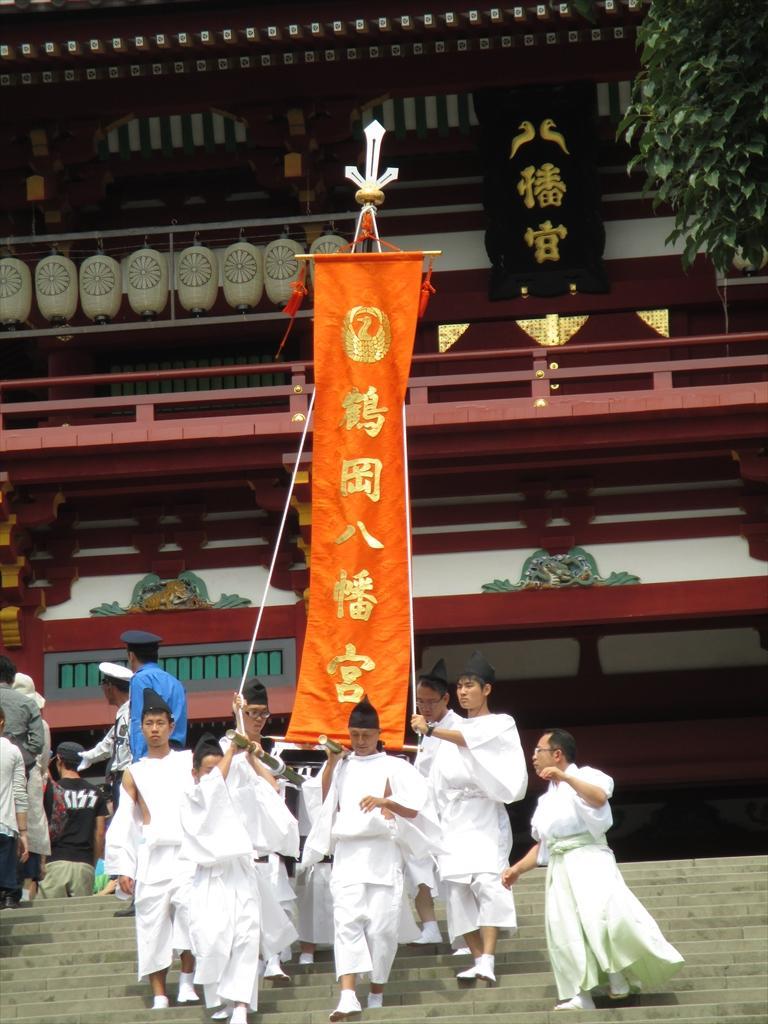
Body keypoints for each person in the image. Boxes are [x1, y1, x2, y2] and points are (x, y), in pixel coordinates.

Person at [502, 728, 684, 1011]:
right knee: (566, 929)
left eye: (538, 750)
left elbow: (598, 798)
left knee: (600, 918)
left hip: (589, 858)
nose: (533, 757)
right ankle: (581, 995)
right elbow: (545, 844)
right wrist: (516, 869)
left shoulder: (587, 775)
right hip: (560, 866)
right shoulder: (547, 800)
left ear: (557, 754)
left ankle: (618, 974)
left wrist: (566, 778)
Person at [304, 695, 441, 1022]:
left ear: (379, 734)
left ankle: (376, 991)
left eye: (366, 735)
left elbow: (417, 809)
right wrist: (332, 763)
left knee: (382, 930)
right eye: (355, 735)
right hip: (348, 854)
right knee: (346, 924)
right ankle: (348, 995)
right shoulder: (342, 765)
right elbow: (325, 802)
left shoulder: (395, 766)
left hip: (382, 855)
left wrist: (387, 802)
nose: (360, 741)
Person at [411, 650, 527, 983]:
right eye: (460, 686)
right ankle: (477, 957)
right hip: (454, 818)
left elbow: (469, 740)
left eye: (470, 686)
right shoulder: (450, 730)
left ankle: (488, 957)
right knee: (456, 890)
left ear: (486, 689)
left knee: (487, 882)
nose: (463, 692)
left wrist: (430, 730)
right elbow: (434, 779)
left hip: (484, 812)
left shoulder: (499, 723)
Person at [181, 732, 300, 1024]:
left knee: (245, 938)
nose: (215, 775)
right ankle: (222, 998)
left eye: (218, 768)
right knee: (212, 940)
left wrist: (251, 758)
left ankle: (241, 1006)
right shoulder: (192, 797)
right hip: (210, 878)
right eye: (208, 770)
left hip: (243, 874)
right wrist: (230, 752)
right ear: (195, 773)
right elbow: (211, 787)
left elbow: (271, 791)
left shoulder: (235, 794)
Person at [105, 687, 198, 1010]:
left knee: (190, 913)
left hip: (187, 854)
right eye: (149, 723)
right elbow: (124, 823)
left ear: (171, 726)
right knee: (151, 925)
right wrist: (123, 867)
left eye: (160, 723)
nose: (155, 729)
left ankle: (187, 981)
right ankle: (159, 993)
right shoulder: (134, 772)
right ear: (141, 728)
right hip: (153, 856)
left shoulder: (188, 761)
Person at [226, 679, 299, 983]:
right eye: (252, 712)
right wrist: (238, 742)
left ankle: (273, 960)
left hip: (267, 846)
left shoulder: (271, 753)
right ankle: (255, 961)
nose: (258, 719)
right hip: (239, 845)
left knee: (275, 904)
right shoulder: (225, 748)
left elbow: (275, 787)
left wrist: (254, 758)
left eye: (263, 714)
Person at [408, 658, 461, 945]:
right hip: (424, 811)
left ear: (445, 699)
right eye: (420, 702)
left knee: (455, 876)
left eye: (430, 702)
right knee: (418, 866)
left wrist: (429, 730)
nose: (425, 707)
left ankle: (462, 938)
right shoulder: (424, 730)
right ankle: (429, 926)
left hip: (452, 812)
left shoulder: (457, 727)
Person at [39, 741, 108, 899]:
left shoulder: (51, 790)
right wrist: (93, 863)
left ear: (59, 759)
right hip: (84, 863)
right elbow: (100, 833)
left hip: (55, 861)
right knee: (82, 914)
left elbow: (42, 826)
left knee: (52, 913)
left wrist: (41, 861)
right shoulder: (95, 792)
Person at [12, 673, 51, 901]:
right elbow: (44, 761)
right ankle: (26, 898)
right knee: (32, 838)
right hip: (32, 781)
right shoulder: (41, 725)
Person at [121, 630, 187, 760]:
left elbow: (138, 721)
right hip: (175, 754)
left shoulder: (139, 679)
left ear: (131, 656)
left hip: (152, 754)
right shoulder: (176, 683)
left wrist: (138, 760)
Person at [77, 662, 133, 809]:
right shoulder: (123, 712)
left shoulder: (132, 713)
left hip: (128, 777)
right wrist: (87, 757)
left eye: (103, 684)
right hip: (120, 778)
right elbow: (108, 743)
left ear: (110, 687)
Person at [0, 705, 28, 909]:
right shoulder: (12, 751)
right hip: (4, 824)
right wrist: (23, 832)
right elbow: (19, 793)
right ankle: (9, 896)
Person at [0, 655, 45, 775]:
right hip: (17, 766)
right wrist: (25, 757)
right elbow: (38, 743)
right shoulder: (28, 703)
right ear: (12, 678)